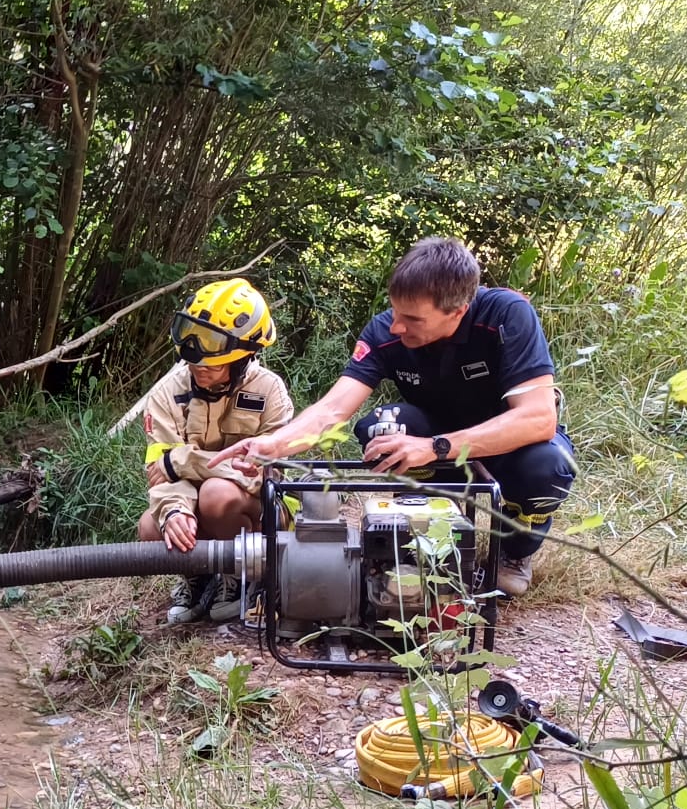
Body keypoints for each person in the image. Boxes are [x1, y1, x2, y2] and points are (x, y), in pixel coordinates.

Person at [205, 237, 576, 597]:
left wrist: (436, 447)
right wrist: (271, 445)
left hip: (503, 442)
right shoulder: (386, 331)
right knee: (381, 428)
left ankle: (516, 549)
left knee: (548, 466)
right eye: (395, 311)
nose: (396, 326)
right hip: (433, 434)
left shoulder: (506, 315)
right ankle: (419, 533)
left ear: (458, 310)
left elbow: (537, 418)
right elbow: (333, 410)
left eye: (412, 319)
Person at [129, 278, 294, 623]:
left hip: (257, 511)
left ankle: (243, 575)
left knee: (217, 495)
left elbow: (262, 473)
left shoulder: (269, 390)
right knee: (151, 526)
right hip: (197, 504)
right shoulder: (165, 395)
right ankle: (199, 576)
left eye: (212, 366)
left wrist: (184, 460)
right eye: (194, 364)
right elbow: (159, 473)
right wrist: (174, 511)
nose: (199, 372)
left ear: (244, 357)